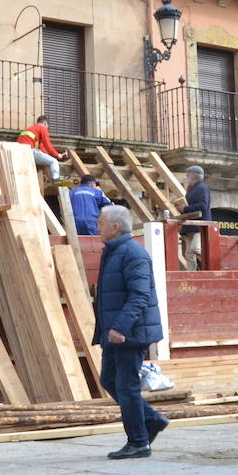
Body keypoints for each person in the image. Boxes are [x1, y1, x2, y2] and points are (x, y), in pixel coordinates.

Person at [93, 205, 166, 459]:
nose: (96, 226)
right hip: (115, 331)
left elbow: (139, 295)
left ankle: (138, 442)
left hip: (129, 333)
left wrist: (120, 327)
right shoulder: (115, 251)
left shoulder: (133, 253)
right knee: (110, 381)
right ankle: (151, 420)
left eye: (100, 222)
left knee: (126, 386)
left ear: (115, 227)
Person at [17, 115, 68, 184]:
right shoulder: (42, 128)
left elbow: (42, 149)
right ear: (45, 124)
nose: (47, 129)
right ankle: (56, 179)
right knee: (54, 162)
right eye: (47, 127)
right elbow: (48, 145)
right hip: (30, 151)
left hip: (19, 152)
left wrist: (49, 155)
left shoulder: (30, 130)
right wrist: (57, 155)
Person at [180, 166, 211, 270]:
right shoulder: (190, 189)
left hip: (200, 224)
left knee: (195, 248)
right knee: (188, 254)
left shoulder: (202, 188)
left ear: (193, 175)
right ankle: (191, 275)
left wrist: (185, 208)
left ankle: (212, 263)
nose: (186, 176)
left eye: (188, 174)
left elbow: (203, 205)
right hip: (191, 224)